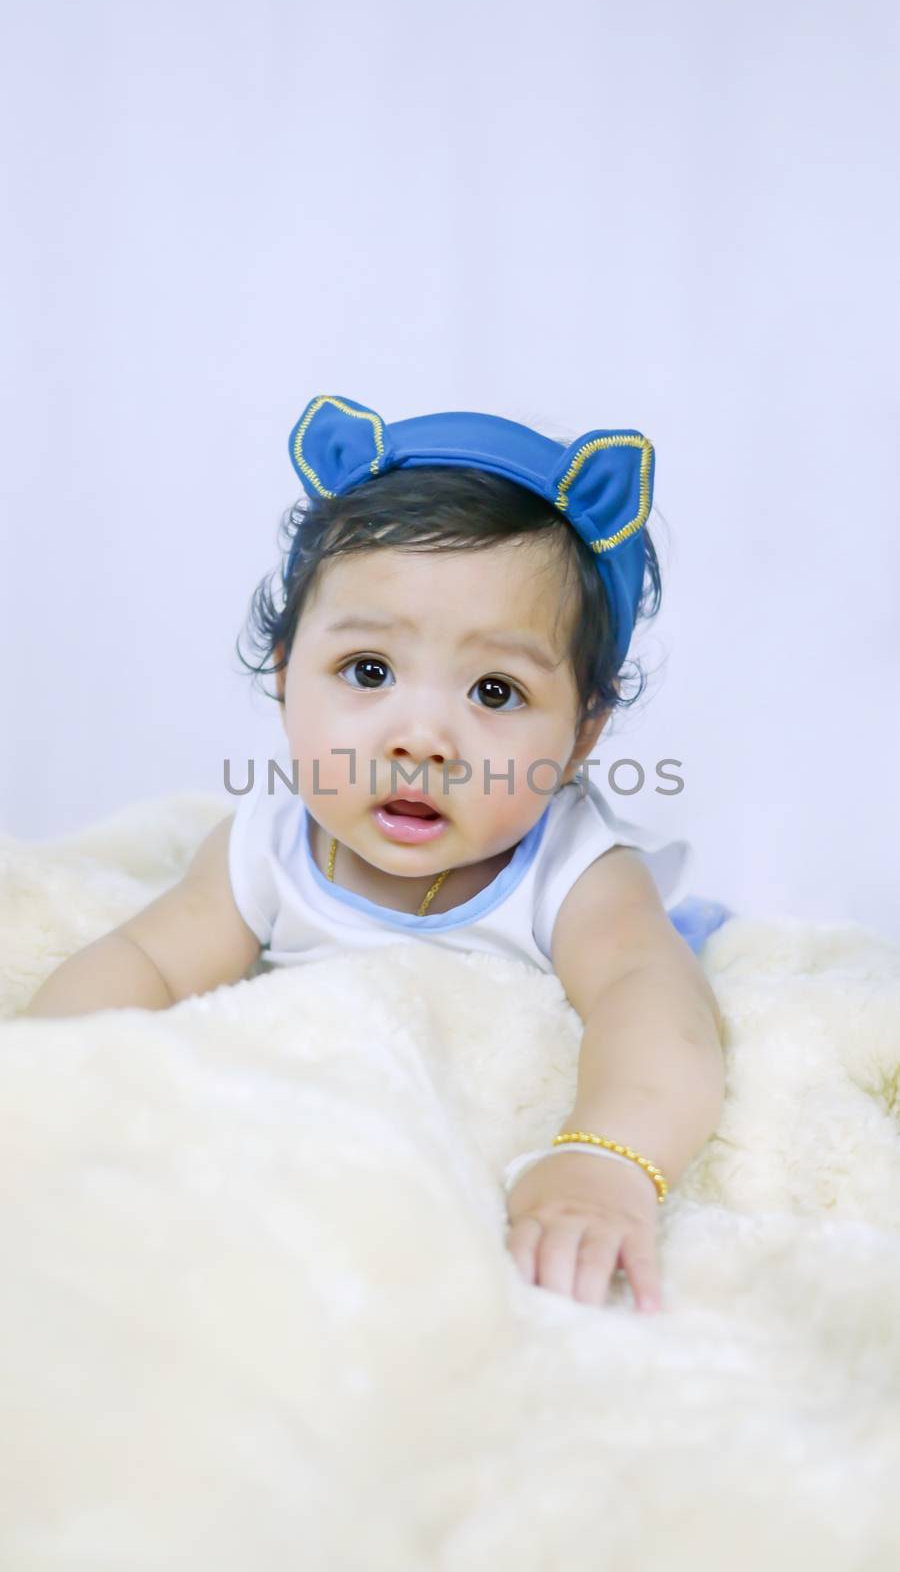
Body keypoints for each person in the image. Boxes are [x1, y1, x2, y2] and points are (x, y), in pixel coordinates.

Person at [19, 394, 730, 1317]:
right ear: (284, 674)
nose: (422, 737)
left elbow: (656, 1009)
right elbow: (143, 962)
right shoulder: (267, 846)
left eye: (494, 689)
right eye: (368, 671)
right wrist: (44, 1076)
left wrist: (605, 1156)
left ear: (583, 732)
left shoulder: (577, 872)